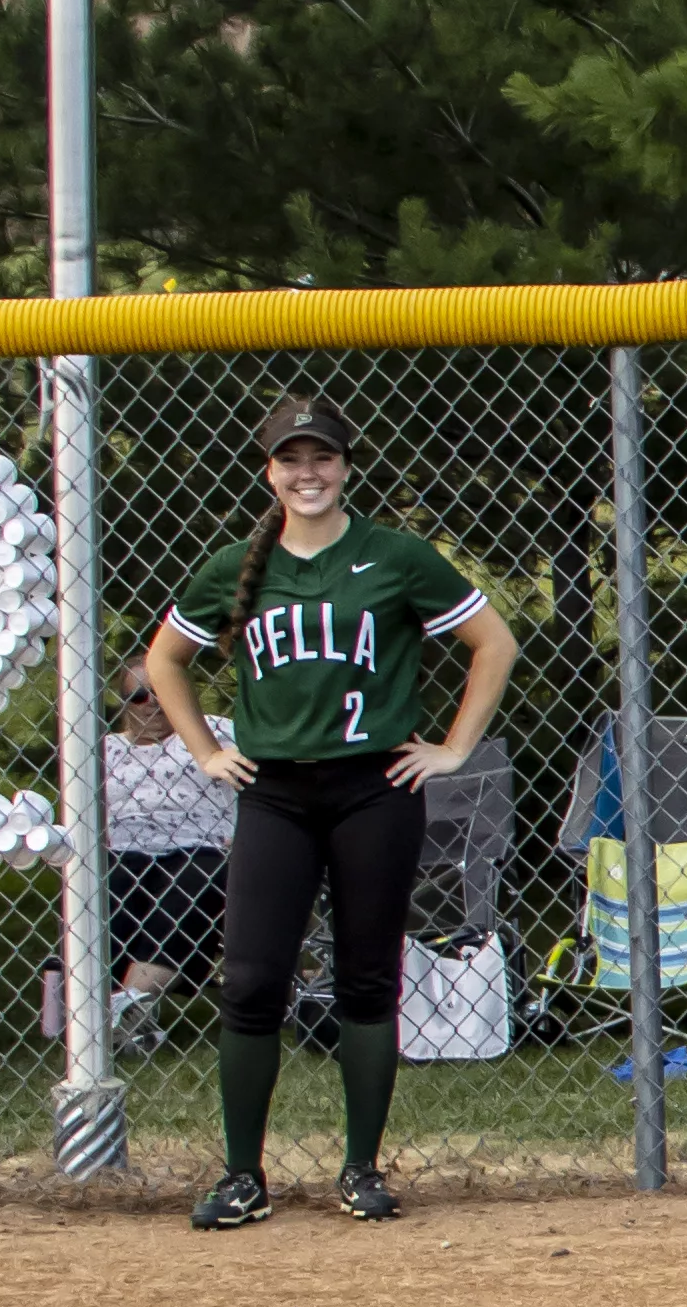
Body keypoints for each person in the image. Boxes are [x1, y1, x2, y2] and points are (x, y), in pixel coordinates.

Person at [143, 398, 518, 1230]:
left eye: (322, 457)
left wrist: (453, 748)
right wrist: (206, 748)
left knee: (365, 979)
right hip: (275, 793)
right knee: (250, 981)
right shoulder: (237, 566)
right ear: (269, 470)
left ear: (346, 465)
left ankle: (361, 1167)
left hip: (373, 788)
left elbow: (493, 641)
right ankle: (243, 1174)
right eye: (290, 459)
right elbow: (165, 659)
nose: (306, 473)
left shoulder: (395, 556)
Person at [92, 656, 238, 1053]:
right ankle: (115, 1011)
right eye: (140, 697)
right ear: (123, 706)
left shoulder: (216, 734)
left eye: (161, 693)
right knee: (107, 881)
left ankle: (126, 1007)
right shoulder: (100, 751)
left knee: (197, 879)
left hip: (201, 845)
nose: (153, 703)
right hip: (122, 849)